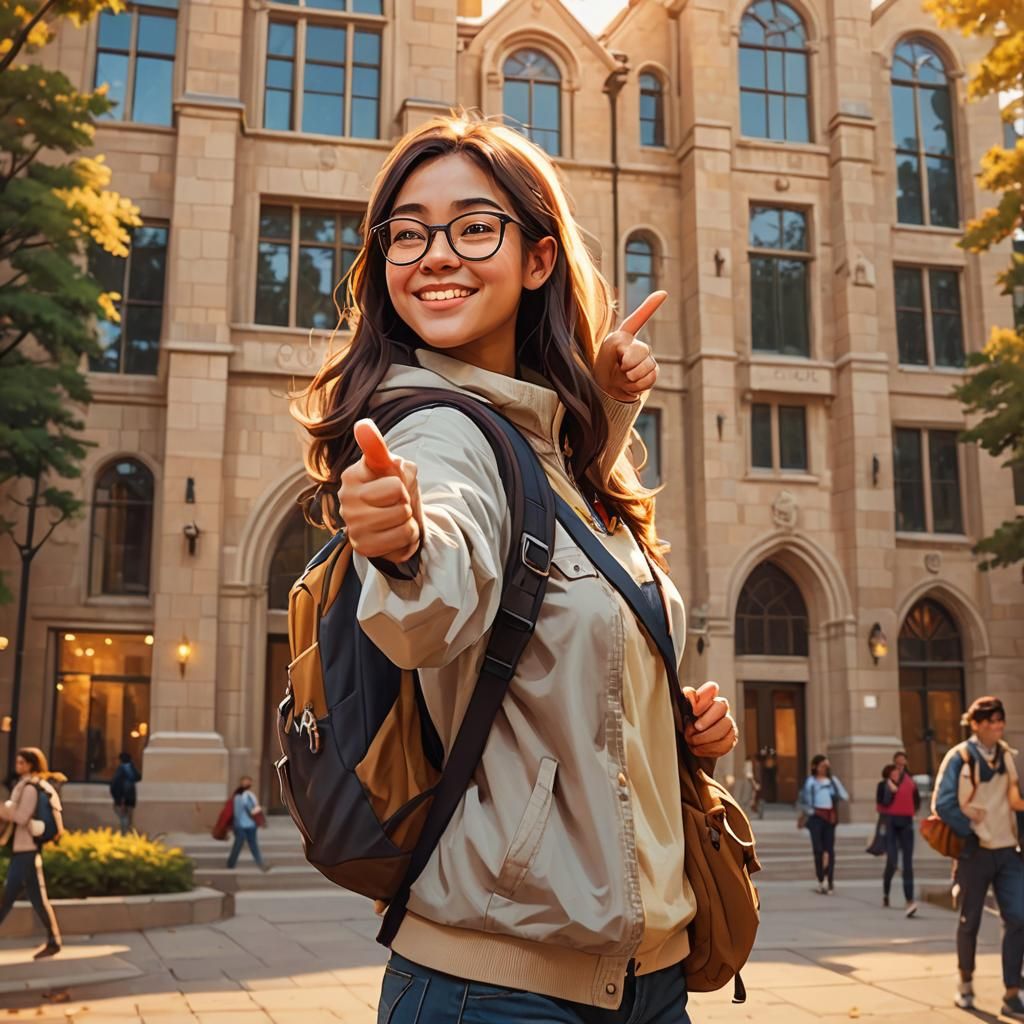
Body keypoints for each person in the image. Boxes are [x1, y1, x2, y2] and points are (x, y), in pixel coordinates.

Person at [292, 112, 740, 1023]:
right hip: (492, 991)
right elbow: (433, 605)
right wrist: (406, 545)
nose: (436, 253)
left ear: (538, 258)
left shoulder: (551, 451)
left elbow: (561, 589)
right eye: (407, 233)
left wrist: (672, 731)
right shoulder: (436, 430)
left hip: (649, 987)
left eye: (473, 225)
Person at [934, 696, 1024, 1018]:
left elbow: (1015, 802)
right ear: (975, 724)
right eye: (990, 722)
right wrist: (969, 831)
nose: (997, 727)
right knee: (969, 920)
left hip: (1008, 852)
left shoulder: (1006, 756)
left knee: (1018, 917)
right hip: (974, 853)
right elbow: (942, 804)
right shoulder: (959, 758)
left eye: (1000, 721)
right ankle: (965, 982)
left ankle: (1012, 991)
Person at [0, 748, 62, 958]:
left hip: (26, 849)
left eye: (21, 763)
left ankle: (54, 941)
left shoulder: (29, 788)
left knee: (6, 897)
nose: (17, 766)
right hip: (26, 849)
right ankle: (54, 940)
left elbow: (21, 817)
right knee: (37, 898)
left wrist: (3, 809)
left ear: (30, 765)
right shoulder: (33, 786)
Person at [877, 750, 920, 916]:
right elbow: (881, 804)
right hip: (891, 823)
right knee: (893, 861)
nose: (901, 767)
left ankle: (909, 900)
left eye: (903, 764)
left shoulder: (911, 781)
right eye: (898, 764)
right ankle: (886, 893)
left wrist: (912, 812)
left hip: (906, 823)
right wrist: (891, 789)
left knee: (907, 863)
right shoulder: (884, 784)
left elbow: (915, 801)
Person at [798, 754, 849, 894]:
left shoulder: (832, 781)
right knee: (818, 850)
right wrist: (808, 813)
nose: (824, 768)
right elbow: (804, 800)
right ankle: (821, 879)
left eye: (826, 766)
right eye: (822, 766)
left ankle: (830, 879)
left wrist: (834, 784)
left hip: (829, 818)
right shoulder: (811, 782)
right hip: (816, 818)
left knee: (829, 850)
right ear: (815, 766)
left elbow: (844, 796)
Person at [225, 777, 268, 872]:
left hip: (251, 826)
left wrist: (259, 822)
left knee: (253, 845)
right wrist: (236, 826)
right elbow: (236, 812)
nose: (247, 784)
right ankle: (230, 864)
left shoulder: (251, 795)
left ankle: (261, 864)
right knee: (238, 845)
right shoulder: (238, 796)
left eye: (248, 782)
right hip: (241, 826)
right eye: (245, 782)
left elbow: (256, 809)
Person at [109, 751, 141, 834]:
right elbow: (138, 777)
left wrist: (119, 799)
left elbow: (116, 786)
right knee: (128, 818)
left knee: (124, 818)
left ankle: (124, 835)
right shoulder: (132, 769)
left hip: (122, 798)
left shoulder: (121, 771)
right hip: (130, 798)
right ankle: (127, 834)